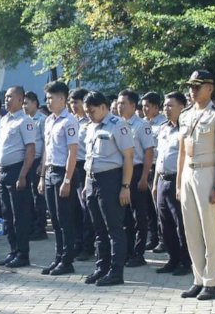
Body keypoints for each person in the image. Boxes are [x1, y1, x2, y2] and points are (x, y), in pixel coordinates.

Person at [177, 70, 215, 300]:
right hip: (189, 173)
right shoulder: (185, 115)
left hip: (208, 172)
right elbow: (181, 151)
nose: (192, 89)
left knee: (210, 230)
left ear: (210, 88)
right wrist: (179, 182)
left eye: (197, 86)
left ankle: (211, 282)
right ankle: (198, 278)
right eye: (191, 85)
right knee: (191, 230)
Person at [83, 91, 134, 286]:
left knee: (114, 229)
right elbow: (90, 158)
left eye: (92, 110)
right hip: (92, 180)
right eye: (87, 111)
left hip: (111, 181)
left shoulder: (118, 126)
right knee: (98, 229)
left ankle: (116, 272)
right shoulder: (91, 127)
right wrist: (87, 183)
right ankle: (101, 267)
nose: (89, 114)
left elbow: (128, 157)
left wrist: (125, 186)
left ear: (104, 107)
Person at [38, 82, 79, 275]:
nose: (47, 101)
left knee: (65, 220)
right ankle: (58, 257)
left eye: (51, 98)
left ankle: (67, 260)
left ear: (62, 99)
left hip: (64, 173)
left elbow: (73, 153)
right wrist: (42, 176)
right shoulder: (49, 121)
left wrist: (68, 180)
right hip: (50, 173)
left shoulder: (69, 121)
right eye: (46, 98)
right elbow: (47, 149)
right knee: (54, 220)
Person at [0, 86, 36, 268]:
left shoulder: (25, 122)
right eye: (5, 97)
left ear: (20, 100)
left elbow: (30, 150)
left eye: (10, 97)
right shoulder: (4, 120)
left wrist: (22, 175)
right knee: (7, 215)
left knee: (19, 216)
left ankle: (22, 254)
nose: (6, 100)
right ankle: (13, 251)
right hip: (3, 171)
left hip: (16, 171)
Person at [151, 92, 191, 276]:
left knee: (181, 224)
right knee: (165, 223)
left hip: (178, 180)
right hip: (162, 179)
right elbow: (159, 158)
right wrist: (155, 183)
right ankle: (173, 258)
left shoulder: (187, 129)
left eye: (170, 106)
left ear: (182, 107)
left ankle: (185, 261)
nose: (166, 109)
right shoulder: (163, 128)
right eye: (165, 106)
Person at [117, 89, 156, 267]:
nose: (119, 106)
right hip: (121, 172)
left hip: (137, 171)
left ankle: (139, 253)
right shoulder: (117, 124)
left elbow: (149, 151)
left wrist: (144, 177)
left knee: (139, 215)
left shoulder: (141, 126)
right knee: (124, 216)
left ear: (133, 105)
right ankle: (128, 251)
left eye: (123, 103)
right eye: (118, 103)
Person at [69, 88, 94, 261]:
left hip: (85, 166)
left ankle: (87, 245)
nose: (73, 105)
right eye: (71, 102)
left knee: (86, 209)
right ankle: (76, 242)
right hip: (71, 167)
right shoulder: (70, 121)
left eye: (76, 102)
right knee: (73, 209)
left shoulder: (90, 122)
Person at [141, 91, 166, 252]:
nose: (144, 110)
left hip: (157, 167)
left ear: (156, 107)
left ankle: (164, 239)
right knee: (148, 208)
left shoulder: (163, 124)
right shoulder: (143, 123)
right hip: (145, 168)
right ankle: (154, 237)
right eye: (142, 106)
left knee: (159, 207)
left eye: (147, 106)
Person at [23, 91, 48, 241]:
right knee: (28, 197)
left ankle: (40, 228)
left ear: (35, 103)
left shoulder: (42, 120)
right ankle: (32, 226)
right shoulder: (25, 119)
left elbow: (46, 143)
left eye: (26, 103)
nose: (24, 106)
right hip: (27, 161)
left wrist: (41, 164)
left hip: (38, 160)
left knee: (38, 197)